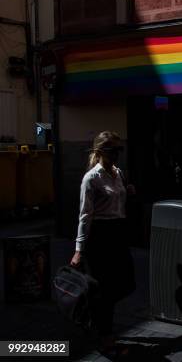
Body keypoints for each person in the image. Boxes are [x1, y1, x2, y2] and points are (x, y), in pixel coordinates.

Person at [70, 131, 136, 355]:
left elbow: (119, 202)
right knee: (106, 290)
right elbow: (84, 216)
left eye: (119, 150)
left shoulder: (118, 174)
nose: (116, 155)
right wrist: (79, 250)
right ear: (99, 152)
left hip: (118, 233)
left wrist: (127, 191)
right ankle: (106, 338)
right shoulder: (91, 178)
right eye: (112, 151)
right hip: (100, 236)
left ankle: (91, 310)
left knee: (127, 282)